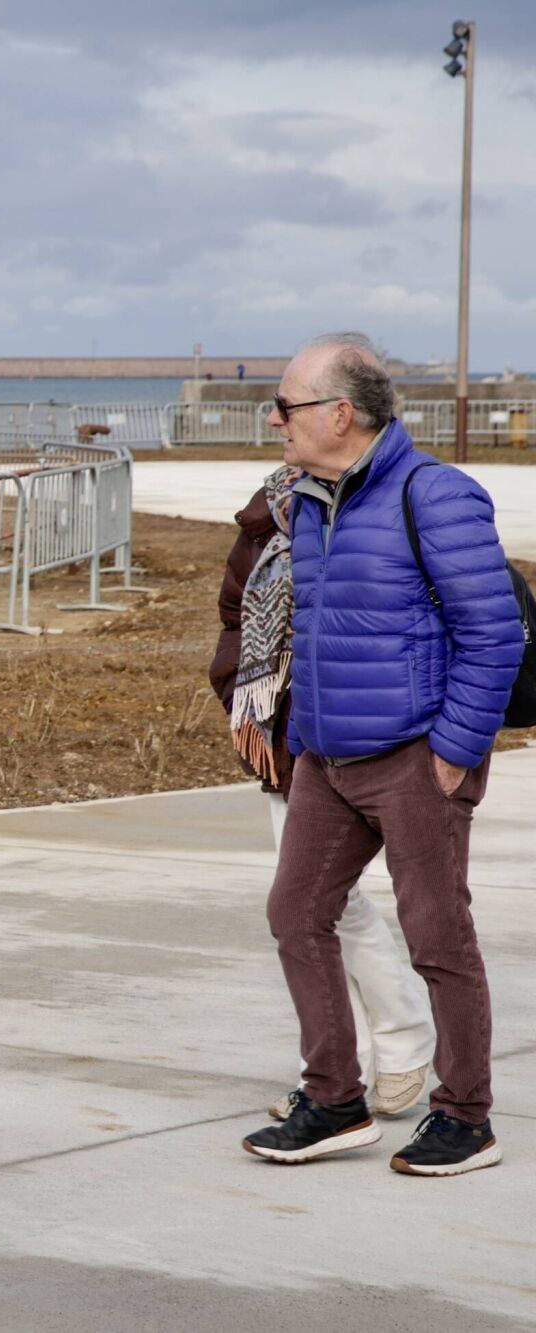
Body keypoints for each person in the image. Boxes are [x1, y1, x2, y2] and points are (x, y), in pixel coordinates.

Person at [239, 333, 519, 1176]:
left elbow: (494, 633)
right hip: (328, 757)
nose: (274, 421)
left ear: (340, 414)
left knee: (437, 934)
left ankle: (465, 1116)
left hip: (415, 755)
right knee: (296, 912)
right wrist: (302, 737)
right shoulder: (308, 500)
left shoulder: (435, 494)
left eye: (285, 406)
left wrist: (454, 748)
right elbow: (313, 629)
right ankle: (334, 1099)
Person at [210, 461, 435, 1123]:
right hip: (287, 733)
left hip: (381, 732)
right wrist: (243, 693)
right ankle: (346, 1068)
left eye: (289, 414)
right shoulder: (268, 511)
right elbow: (233, 613)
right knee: (315, 905)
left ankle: (398, 1041)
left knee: (350, 905)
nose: (278, 424)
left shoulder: (388, 500)